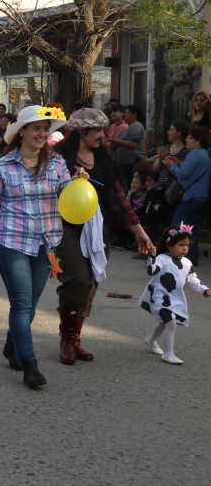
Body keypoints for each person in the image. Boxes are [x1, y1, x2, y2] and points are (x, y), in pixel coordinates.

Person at [0, 104, 74, 389]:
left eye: (46, 129)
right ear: (21, 132)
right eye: (36, 128)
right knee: (21, 305)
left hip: (47, 244)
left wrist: (79, 184)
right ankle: (30, 365)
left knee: (30, 308)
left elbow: (69, 198)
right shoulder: (3, 166)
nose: (42, 134)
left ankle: (12, 344)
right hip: (11, 242)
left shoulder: (57, 163)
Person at [53, 108, 153, 365]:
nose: (103, 135)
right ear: (82, 131)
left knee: (91, 282)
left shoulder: (104, 160)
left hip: (96, 228)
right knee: (77, 277)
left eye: (103, 129)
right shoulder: (58, 157)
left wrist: (139, 232)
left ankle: (74, 338)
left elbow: (118, 199)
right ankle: (66, 338)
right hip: (62, 226)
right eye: (98, 130)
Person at [139, 223, 211, 365]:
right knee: (171, 323)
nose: (185, 248)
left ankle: (150, 340)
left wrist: (204, 289)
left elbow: (192, 279)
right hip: (159, 297)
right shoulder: (161, 259)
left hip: (174, 299)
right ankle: (168, 353)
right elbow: (151, 271)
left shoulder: (187, 263)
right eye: (181, 245)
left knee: (163, 324)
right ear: (169, 244)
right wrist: (151, 256)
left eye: (187, 245)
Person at [162, 125, 211, 265]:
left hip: (191, 195)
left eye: (190, 138)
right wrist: (179, 163)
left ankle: (174, 255)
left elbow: (183, 174)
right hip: (200, 195)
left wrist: (171, 165)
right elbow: (190, 170)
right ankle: (191, 257)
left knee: (177, 226)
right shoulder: (204, 154)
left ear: (198, 141)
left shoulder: (195, 154)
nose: (187, 139)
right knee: (191, 227)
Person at [110, 104, 146, 187]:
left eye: (127, 113)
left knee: (129, 184)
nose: (125, 115)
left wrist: (117, 141)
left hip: (132, 161)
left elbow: (134, 144)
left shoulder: (136, 126)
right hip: (126, 162)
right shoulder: (131, 126)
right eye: (125, 112)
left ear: (134, 115)